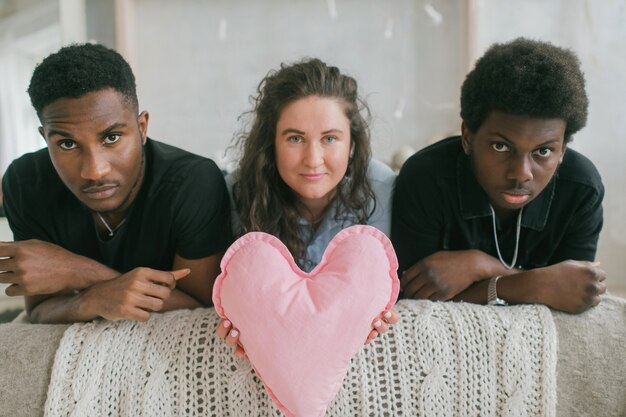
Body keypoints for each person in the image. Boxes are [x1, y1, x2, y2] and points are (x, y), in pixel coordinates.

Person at [0, 43, 231, 323]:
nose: (95, 171)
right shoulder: (26, 183)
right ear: (44, 137)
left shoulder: (193, 183)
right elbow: (38, 311)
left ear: (141, 127)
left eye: (111, 138)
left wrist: (79, 272)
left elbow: (201, 311)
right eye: (67, 144)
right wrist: (91, 300)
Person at [392, 37, 606, 314]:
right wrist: (537, 284)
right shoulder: (425, 178)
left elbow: (572, 293)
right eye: (501, 146)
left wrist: (480, 266)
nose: (521, 173)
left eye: (543, 151)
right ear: (468, 137)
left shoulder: (581, 189)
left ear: (563, 150)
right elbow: (414, 302)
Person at [216, 58, 399, 355]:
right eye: (295, 138)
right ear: (270, 143)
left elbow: (378, 297)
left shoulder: (382, 189)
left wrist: (375, 312)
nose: (313, 159)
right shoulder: (236, 193)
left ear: (352, 143)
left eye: (329, 138)